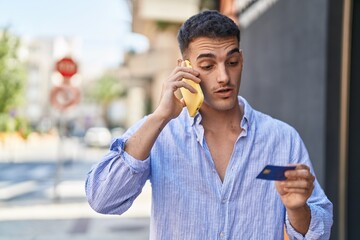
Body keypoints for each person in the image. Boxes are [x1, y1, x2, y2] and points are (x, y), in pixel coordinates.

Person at [85, 10, 333, 239]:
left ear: (242, 61)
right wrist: (160, 116)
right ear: (185, 69)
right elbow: (103, 199)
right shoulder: (159, 133)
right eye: (208, 66)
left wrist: (298, 209)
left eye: (232, 62)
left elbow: (319, 232)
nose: (224, 77)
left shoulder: (282, 138)